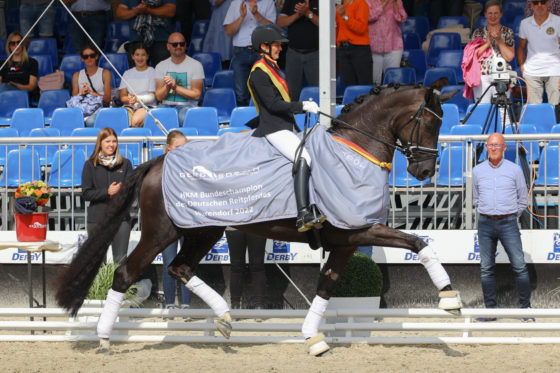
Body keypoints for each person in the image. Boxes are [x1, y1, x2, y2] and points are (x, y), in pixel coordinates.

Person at [248, 24, 325, 232]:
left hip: (285, 124)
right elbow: (272, 105)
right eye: (276, 45)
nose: (280, 49)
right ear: (263, 46)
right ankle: (302, 213)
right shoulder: (259, 72)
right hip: (273, 127)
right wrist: (302, 106)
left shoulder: (272, 67)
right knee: (304, 158)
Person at [472, 132, 532, 322]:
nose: (493, 149)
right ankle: (490, 312)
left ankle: (526, 310)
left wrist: (511, 215)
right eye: (490, 145)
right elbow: (475, 198)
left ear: (505, 147)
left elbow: (523, 199)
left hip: (508, 222)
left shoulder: (515, 170)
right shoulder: (477, 171)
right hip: (485, 223)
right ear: (487, 148)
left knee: (520, 266)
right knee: (486, 268)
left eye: (497, 145)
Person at [82, 127, 134, 264]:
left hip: (121, 219)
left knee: (120, 260)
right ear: (100, 143)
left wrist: (125, 192)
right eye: (107, 141)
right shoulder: (90, 165)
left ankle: (117, 287)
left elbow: (132, 190)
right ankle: (100, 287)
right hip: (97, 219)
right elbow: (86, 193)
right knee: (97, 263)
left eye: (114, 141)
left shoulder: (126, 164)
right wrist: (107, 192)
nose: (111, 145)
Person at [161, 130, 192, 315]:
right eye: (178, 147)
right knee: (168, 262)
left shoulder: (191, 167)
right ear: (169, 148)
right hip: (167, 222)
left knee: (187, 263)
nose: (183, 151)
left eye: (185, 147)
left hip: (187, 221)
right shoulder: (161, 168)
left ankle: (187, 305)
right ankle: (170, 305)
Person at [224, 0, 277, 106]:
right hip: (240, 52)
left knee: (263, 92)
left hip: (261, 52)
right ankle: (243, 121)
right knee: (241, 94)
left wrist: (256, 14)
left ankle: (263, 120)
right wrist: (241, 17)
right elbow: (228, 31)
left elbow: (272, 29)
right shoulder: (236, 2)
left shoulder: (268, 2)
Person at [154, 32, 205, 126]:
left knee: (183, 118)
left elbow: (196, 95)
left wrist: (175, 87)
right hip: (166, 105)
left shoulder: (196, 65)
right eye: (174, 45)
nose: (178, 46)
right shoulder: (161, 66)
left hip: (188, 106)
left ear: (185, 46)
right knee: (156, 116)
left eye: (182, 44)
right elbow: (159, 97)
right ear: (168, 46)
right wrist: (167, 86)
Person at [470, 0, 515, 103]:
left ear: (501, 14)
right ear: (485, 14)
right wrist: (487, 43)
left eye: (496, 13)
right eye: (490, 13)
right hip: (482, 75)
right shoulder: (478, 33)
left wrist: (499, 40)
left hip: (502, 74)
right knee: (482, 109)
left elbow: (509, 57)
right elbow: (474, 55)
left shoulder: (508, 32)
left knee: (503, 110)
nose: (493, 16)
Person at [518, 0, 560, 105]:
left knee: (554, 108)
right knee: (534, 109)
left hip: (554, 70)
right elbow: (521, 47)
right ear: (531, 5)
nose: (539, 5)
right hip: (532, 71)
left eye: (543, 2)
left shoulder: (558, 21)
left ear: (549, 3)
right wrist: (523, 68)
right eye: (536, 2)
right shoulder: (525, 23)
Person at [277, 0, 319, 101]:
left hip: (315, 54)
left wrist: (308, 12)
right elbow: (280, 22)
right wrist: (298, 15)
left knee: (318, 92)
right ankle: (294, 116)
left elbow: (325, 23)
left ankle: (318, 116)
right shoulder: (290, 1)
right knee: (291, 93)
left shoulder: (320, 2)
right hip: (293, 54)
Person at [115, 0, 177, 67]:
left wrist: (148, 10)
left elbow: (171, 11)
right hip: (137, 40)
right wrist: (136, 11)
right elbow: (119, 13)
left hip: (161, 40)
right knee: (135, 72)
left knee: (164, 71)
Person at [366, 0, 407, 85]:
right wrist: (384, 4)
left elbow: (402, 18)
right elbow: (369, 17)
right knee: (375, 81)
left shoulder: (396, 1)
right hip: (374, 46)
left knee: (393, 80)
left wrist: (395, 4)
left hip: (394, 45)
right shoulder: (368, 1)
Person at [225, 228, 267, 309]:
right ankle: (235, 306)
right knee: (237, 267)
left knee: (256, 266)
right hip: (236, 224)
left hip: (256, 224)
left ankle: (259, 306)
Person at [71, 44, 111, 127]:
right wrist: (80, 93)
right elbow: (73, 99)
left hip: (98, 108)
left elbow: (107, 99)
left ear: (96, 57)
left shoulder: (105, 73)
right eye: (86, 56)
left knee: (91, 122)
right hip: (82, 108)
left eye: (92, 56)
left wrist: (91, 92)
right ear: (82, 59)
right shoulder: (76, 75)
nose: (89, 58)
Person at [336, 0, 373, 87]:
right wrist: (339, 43)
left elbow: (361, 28)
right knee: (349, 85)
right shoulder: (340, 5)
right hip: (343, 49)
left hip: (359, 49)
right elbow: (338, 27)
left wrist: (344, 16)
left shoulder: (361, 3)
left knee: (365, 85)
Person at [119, 42, 157, 127]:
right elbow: (122, 96)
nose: (140, 58)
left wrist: (137, 99)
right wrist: (130, 99)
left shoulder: (152, 72)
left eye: (143, 55)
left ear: (147, 56)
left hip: (146, 106)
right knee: (120, 120)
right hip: (129, 106)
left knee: (135, 121)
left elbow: (152, 96)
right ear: (132, 56)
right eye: (137, 54)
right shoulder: (127, 73)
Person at [0, 31, 39, 101]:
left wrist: (17, 86)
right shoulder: (3, 63)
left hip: (23, 94)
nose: (16, 46)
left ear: (23, 44)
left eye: (19, 42)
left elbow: (32, 86)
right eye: (12, 43)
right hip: (5, 95)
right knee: (4, 87)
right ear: (9, 46)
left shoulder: (32, 62)